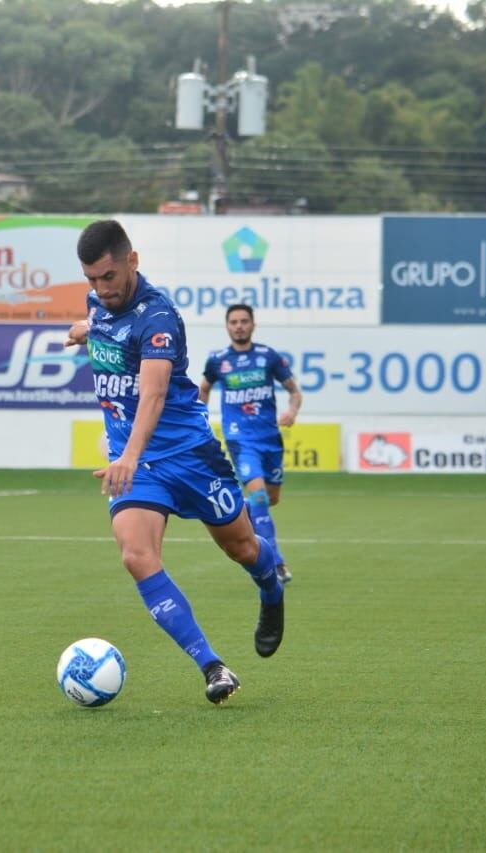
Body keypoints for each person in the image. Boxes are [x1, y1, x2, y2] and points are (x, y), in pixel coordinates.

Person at [66, 219, 284, 705]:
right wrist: (84, 331)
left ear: (132, 261)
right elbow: (102, 325)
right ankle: (212, 665)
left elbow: (154, 393)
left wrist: (128, 455)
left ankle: (271, 588)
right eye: (91, 280)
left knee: (242, 548)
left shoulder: (159, 316)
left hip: (190, 457)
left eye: (108, 277)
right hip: (140, 467)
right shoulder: (98, 304)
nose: (101, 289)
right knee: (135, 555)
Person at [198, 304, 302, 585]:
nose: (239, 326)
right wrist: (199, 419)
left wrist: (292, 412)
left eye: (244, 321)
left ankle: (243, 507)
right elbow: (204, 388)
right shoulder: (218, 360)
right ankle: (276, 564)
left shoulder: (268, 357)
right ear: (227, 326)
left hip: (270, 438)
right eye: (234, 322)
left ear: (253, 324)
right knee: (259, 497)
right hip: (240, 439)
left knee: (269, 499)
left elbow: (294, 392)